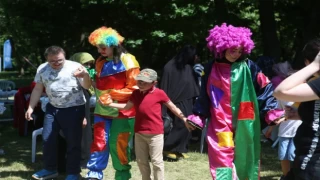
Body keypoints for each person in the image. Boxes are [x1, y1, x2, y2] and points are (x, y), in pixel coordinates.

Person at [186, 23, 282, 180]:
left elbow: (265, 87)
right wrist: (199, 115)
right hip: (220, 120)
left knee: (246, 156)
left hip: (246, 120)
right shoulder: (210, 68)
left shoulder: (250, 66)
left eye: (239, 51)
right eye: (232, 50)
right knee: (222, 155)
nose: (236, 54)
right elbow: (204, 94)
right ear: (221, 48)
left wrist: (270, 111)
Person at [100, 68, 193, 180]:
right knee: (141, 161)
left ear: (154, 83)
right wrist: (110, 104)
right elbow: (126, 107)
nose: (141, 84)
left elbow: (173, 107)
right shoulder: (135, 93)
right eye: (139, 81)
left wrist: (184, 119)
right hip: (139, 133)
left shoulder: (160, 93)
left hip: (155, 134)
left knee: (156, 161)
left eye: (145, 82)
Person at [25, 46, 91, 180]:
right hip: (52, 108)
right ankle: (50, 169)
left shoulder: (75, 67)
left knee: (73, 142)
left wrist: (85, 75)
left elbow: (87, 86)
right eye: (52, 61)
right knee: (47, 138)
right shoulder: (42, 69)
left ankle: (73, 172)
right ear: (47, 60)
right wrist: (30, 107)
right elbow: (38, 89)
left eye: (59, 60)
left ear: (64, 56)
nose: (56, 63)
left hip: (74, 108)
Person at [86, 26, 140, 180]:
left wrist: (112, 96)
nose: (100, 50)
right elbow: (98, 86)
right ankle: (94, 175)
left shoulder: (128, 60)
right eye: (98, 47)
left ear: (114, 45)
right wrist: (88, 78)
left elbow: (135, 89)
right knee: (99, 142)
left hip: (122, 112)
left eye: (103, 47)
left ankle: (122, 175)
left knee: (119, 145)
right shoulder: (100, 61)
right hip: (101, 111)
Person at [273, 38, 320, 180]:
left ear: (307, 61)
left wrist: (313, 66)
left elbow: (280, 91)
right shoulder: (315, 84)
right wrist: (300, 114)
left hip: (313, 161)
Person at [160, 44, 200, 160]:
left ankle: (179, 149)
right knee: (178, 124)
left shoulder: (187, 67)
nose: (196, 57)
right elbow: (166, 84)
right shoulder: (171, 66)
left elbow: (191, 84)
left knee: (187, 124)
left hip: (186, 100)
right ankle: (167, 148)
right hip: (173, 101)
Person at [70, 52, 96, 167]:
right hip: (71, 101)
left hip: (83, 99)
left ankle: (84, 157)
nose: (88, 67)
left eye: (90, 64)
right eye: (85, 64)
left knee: (85, 131)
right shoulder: (68, 71)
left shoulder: (89, 73)